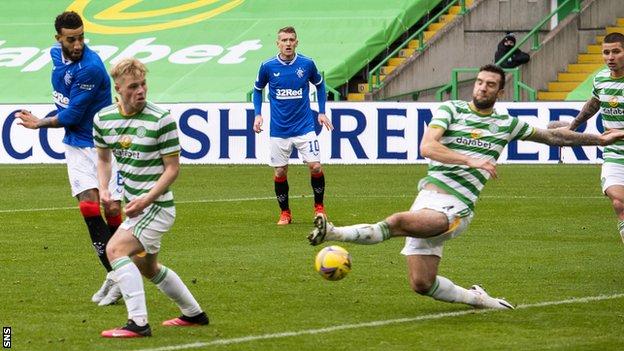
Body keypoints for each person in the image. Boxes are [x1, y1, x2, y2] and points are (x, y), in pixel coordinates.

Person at [308, 64, 624, 310]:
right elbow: (428, 147)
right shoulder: (451, 110)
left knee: (398, 222)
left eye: (490, 85)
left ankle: (333, 232)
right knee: (422, 283)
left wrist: (597, 139)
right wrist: (470, 160)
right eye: (480, 82)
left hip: (456, 208)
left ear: (500, 92)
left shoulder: (506, 124)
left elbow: (553, 136)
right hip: (427, 198)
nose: (483, 88)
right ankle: (480, 299)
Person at [14, 11, 123, 306]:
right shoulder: (55, 55)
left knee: (110, 205)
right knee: (89, 207)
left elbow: (73, 114)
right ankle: (116, 275)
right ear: (58, 39)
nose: (77, 45)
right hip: (76, 145)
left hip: (101, 145)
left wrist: (39, 123)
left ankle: (120, 275)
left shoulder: (90, 68)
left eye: (81, 38)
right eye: (71, 39)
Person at [95, 58, 209, 338]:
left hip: (156, 207)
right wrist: (104, 189)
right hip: (136, 208)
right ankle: (194, 314)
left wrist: (145, 200)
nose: (141, 91)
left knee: (115, 251)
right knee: (148, 267)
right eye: (133, 86)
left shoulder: (161, 119)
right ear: (118, 89)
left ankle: (138, 323)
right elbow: (103, 159)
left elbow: (173, 169)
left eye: (143, 84)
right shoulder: (103, 119)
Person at [253, 26, 333, 225]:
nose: (288, 43)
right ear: (277, 43)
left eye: (291, 40)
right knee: (280, 171)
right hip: (279, 130)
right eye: (284, 40)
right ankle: (285, 213)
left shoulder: (306, 64)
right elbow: (257, 90)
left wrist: (321, 111)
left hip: (305, 127)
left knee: (315, 167)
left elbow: (320, 84)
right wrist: (258, 114)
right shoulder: (268, 66)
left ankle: (319, 209)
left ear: (297, 42)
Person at [558, 32, 624, 243]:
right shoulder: (601, 79)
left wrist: (620, 132)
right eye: (606, 52)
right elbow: (593, 105)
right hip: (614, 153)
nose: (610, 57)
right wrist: (572, 126)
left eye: (616, 51)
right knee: (618, 203)